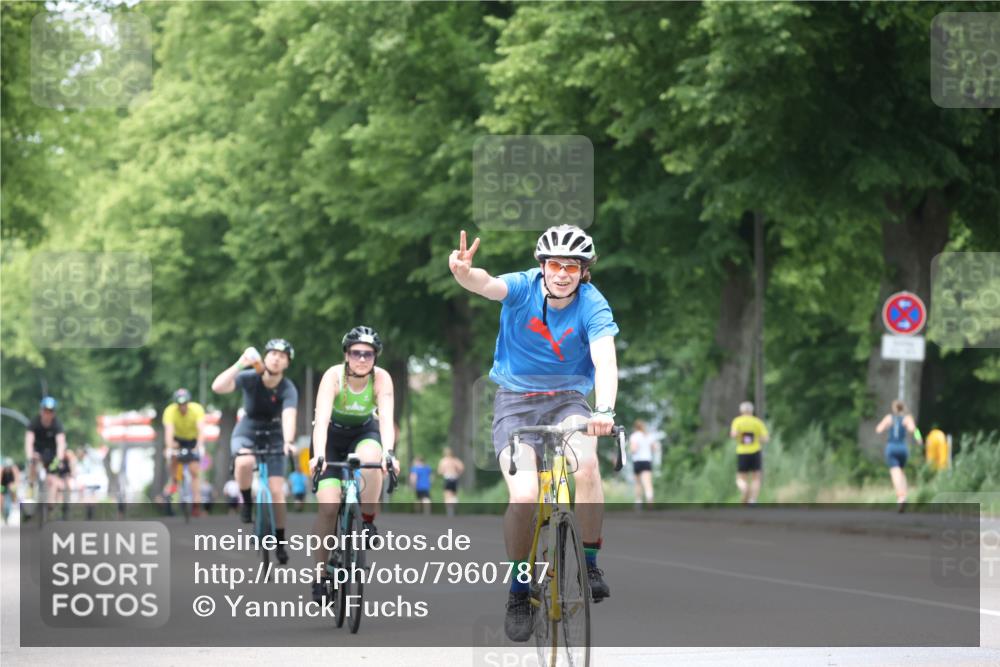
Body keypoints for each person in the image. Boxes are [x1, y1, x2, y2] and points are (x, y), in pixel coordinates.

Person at [449, 225, 620, 642]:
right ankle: (518, 590)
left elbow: (606, 360)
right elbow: (486, 285)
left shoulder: (593, 305)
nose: (563, 273)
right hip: (515, 401)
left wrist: (604, 410)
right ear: (543, 266)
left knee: (588, 466)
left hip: (568, 401)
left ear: (584, 272)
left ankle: (591, 561)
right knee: (524, 495)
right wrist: (463, 273)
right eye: (556, 264)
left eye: (573, 266)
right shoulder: (523, 286)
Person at [309, 326, 398, 603]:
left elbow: (385, 419)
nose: (362, 359)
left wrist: (390, 453)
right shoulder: (333, 377)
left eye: (368, 354)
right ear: (347, 355)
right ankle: (321, 575)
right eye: (356, 353)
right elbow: (321, 420)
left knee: (374, 460)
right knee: (327, 507)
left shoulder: (381, 379)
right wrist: (319, 455)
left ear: (375, 357)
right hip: (331, 437)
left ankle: (368, 521)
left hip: (363, 432)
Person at [212, 339, 298, 564]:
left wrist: (288, 441)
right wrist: (240, 364)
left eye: (282, 355)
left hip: (275, 433)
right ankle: (247, 503)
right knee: (244, 461)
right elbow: (218, 387)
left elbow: (289, 416)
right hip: (247, 430)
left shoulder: (288, 388)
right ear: (265, 357)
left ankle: (279, 540)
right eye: (272, 354)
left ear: (287, 363)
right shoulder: (250, 377)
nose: (277, 358)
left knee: (277, 491)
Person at [162, 388, 207, 516]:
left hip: (192, 440)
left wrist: (200, 446)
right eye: (180, 404)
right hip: (178, 440)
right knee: (172, 456)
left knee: (194, 471)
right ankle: (174, 480)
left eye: (185, 403)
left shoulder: (197, 409)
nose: (182, 407)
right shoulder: (170, 411)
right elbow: (169, 432)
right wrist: (170, 448)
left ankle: (196, 503)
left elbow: (201, 430)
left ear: (189, 402)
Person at [875, 400, 922, 512]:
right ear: (903, 408)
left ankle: (900, 497)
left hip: (892, 447)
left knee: (895, 473)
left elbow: (878, 429)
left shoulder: (889, 418)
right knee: (901, 471)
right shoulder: (907, 418)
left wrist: (887, 427)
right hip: (903, 448)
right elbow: (914, 430)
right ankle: (905, 496)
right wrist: (919, 439)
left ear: (894, 408)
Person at [25, 396, 69, 516]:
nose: (47, 414)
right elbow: (29, 441)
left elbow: (61, 443)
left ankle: (50, 504)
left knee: (52, 479)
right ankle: (30, 490)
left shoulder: (57, 425)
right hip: (37, 452)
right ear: (41, 410)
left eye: (50, 411)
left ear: (54, 413)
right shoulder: (34, 422)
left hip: (52, 454)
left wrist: (59, 459)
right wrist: (29, 456)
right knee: (32, 465)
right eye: (45, 410)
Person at [730, 401, 769, 505]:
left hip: (742, 452)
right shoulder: (757, 422)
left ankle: (745, 488)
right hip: (755, 451)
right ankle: (752, 500)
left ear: (741, 411)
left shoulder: (737, 421)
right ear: (752, 411)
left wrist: (741, 435)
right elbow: (765, 438)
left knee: (740, 478)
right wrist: (756, 438)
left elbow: (733, 435)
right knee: (756, 477)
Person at [630, 420, 660, 508]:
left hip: (637, 461)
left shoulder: (634, 436)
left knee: (638, 483)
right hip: (647, 460)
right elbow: (655, 448)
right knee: (647, 482)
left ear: (635, 427)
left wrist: (631, 450)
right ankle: (650, 498)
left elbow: (633, 449)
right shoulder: (648, 436)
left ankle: (638, 503)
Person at [437, 447, 465, 516]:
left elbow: (440, 471)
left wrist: (443, 472)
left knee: (447, 495)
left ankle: (449, 511)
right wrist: (458, 473)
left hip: (448, 478)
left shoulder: (444, 461)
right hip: (455, 478)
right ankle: (455, 502)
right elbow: (462, 468)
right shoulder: (455, 460)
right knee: (454, 494)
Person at [1, 459, 20, 525]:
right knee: (1, 500)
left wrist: (14, 486)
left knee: (13, 498)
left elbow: (17, 480)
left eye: (9, 467)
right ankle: (3, 513)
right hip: (3, 486)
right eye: (7, 467)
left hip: (11, 487)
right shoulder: (2, 470)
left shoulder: (14, 469)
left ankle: (12, 507)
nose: (8, 469)